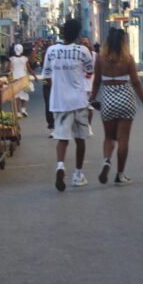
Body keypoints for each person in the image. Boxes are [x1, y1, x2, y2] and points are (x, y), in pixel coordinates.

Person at [91, 28, 143, 186]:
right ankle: (120, 174)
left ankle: (106, 161)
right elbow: (136, 82)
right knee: (123, 139)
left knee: (109, 137)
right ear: (123, 42)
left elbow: (97, 81)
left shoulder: (100, 59)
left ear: (106, 42)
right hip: (126, 99)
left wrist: (92, 99)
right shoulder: (128, 59)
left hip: (108, 100)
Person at [42, 19, 95, 191]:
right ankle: (78, 174)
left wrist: (58, 85)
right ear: (78, 34)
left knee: (62, 139)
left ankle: (60, 166)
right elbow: (90, 71)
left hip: (59, 102)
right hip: (79, 101)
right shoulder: (83, 51)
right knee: (80, 140)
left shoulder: (51, 50)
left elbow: (47, 76)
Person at [6, 43, 35, 117]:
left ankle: (17, 112)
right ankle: (23, 109)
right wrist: (35, 77)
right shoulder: (24, 58)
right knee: (24, 94)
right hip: (23, 79)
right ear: (22, 50)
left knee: (16, 96)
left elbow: (8, 69)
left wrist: (9, 70)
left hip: (14, 80)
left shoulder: (11, 59)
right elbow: (29, 69)